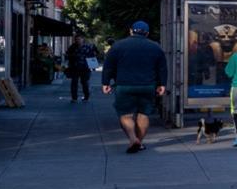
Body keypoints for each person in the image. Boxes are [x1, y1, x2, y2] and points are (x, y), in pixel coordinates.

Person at [101, 20, 166, 154]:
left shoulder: (118, 46)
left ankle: (132, 138)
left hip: (124, 86)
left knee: (125, 115)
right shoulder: (155, 47)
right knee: (144, 115)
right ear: (147, 33)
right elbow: (162, 68)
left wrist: (105, 82)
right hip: (148, 86)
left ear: (131, 31)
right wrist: (162, 84)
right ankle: (139, 142)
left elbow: (108, 66)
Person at [64, 35, 96, 102]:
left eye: (79, 39)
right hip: (75, 68)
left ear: (82, 39)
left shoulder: (87, 47)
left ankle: (86, 97)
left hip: (85, 68)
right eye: (76, 39)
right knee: (74, 83)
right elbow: (67, 55)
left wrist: (93, 67)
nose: (78, 41)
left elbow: (92, 56)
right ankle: (74, 98)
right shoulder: (72, 47)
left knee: (84, 83)